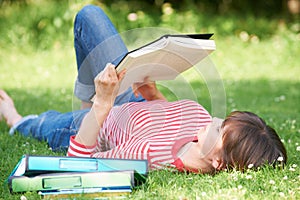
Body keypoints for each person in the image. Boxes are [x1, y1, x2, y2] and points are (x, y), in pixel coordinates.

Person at [0, 5, 287, 174]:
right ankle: (89, 102)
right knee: (90, 16)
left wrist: (101, 105)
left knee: (38, 124)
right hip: (127, 99)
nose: (213, 119)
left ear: (217, 161)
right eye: (223, 120)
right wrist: (152, 94)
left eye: (219, 130)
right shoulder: (200, 121)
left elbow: (78, 164)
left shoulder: (150, 157)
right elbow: (164, 116)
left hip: (94, 124)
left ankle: (15, 117)